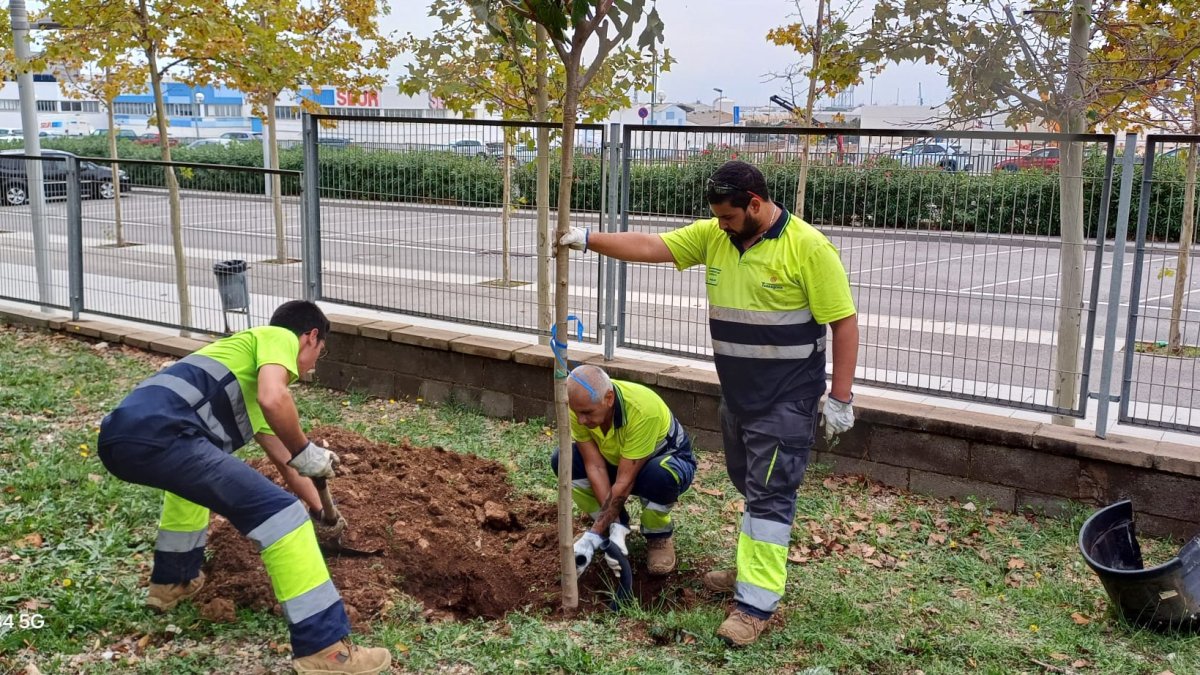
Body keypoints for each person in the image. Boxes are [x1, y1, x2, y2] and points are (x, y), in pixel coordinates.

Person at [560, 160, 859, 647]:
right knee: (749, 484)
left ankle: (754, 607)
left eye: (728, 216)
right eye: (716, 216)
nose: (719, 224)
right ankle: (748, 570)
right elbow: (652, 246)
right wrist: (588, 240)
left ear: (755, 204)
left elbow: (843, 322)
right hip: (738, 397)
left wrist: (840, 397)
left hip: (787, 398)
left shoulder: (808, 248)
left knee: (769, 496)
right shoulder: (716, 237)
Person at [97, 300, 391, 674]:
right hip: (165, 435)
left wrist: (321, 510)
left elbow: (288, 462)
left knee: (188, 489)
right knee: (283, 517)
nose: (314, 365)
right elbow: (276, 400)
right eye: (319, 353)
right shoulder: (275, 336)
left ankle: (174, 581)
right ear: (310, 337)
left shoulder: (245, 377)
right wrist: (308, 449)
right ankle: (327, 651)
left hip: (122, 438)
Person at [556, 365, 697, 577]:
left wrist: (592, 535)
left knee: (660, 475)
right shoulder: (580, 406)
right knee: (563, 460)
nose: (582, 420)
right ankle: (614, 524)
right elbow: (594, 466)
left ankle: (658, 535)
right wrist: (613, 525)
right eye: (577, 413)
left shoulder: (641, 411)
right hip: (617, 461)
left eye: (587, 413)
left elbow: (624, 481)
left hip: (664, 463)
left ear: (609, 398)